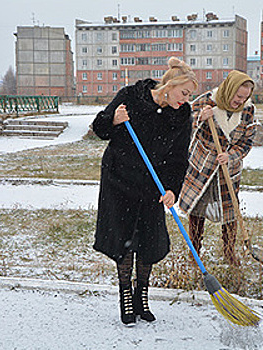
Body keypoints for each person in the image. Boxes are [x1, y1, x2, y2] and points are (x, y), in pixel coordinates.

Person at [92, 57, 198, 326]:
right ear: (169, 85)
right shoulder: (131, 96)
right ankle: (126, 296)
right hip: (119, 179)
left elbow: (178, 158)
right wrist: (113, 119)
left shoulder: (181, 115)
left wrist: (173, 188)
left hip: (153, 184)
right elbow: (99, 128)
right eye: (183, 93)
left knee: (148, 240)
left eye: (189, 95)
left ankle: (142, 296)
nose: (185, 100)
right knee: (125, 237)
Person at [178, 70, 256, 266]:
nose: (240, 101)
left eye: (244, 97)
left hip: (228, 169)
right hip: (202, 165)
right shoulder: (207, 101)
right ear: (229, 90)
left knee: (230, 212)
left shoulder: (248, 111)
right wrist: (200, 117)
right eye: (238, 96)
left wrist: (231, 155)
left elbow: (247, 143)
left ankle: (230, 253)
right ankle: (194, 253)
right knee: (197, 210)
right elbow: (183, 121)